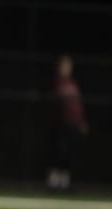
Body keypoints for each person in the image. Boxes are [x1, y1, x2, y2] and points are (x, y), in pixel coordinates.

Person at [45, 54, 89, 192]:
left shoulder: (72, 85)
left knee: (68, 155)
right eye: (64, 66)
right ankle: (53, 184)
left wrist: (81, 122)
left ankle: (64, 184)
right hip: (59, 125)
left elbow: (77, 106)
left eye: (68, 66)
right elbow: (52, 106)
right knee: (57, 153)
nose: (66, 68)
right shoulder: (55, 84)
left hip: (72, 125)